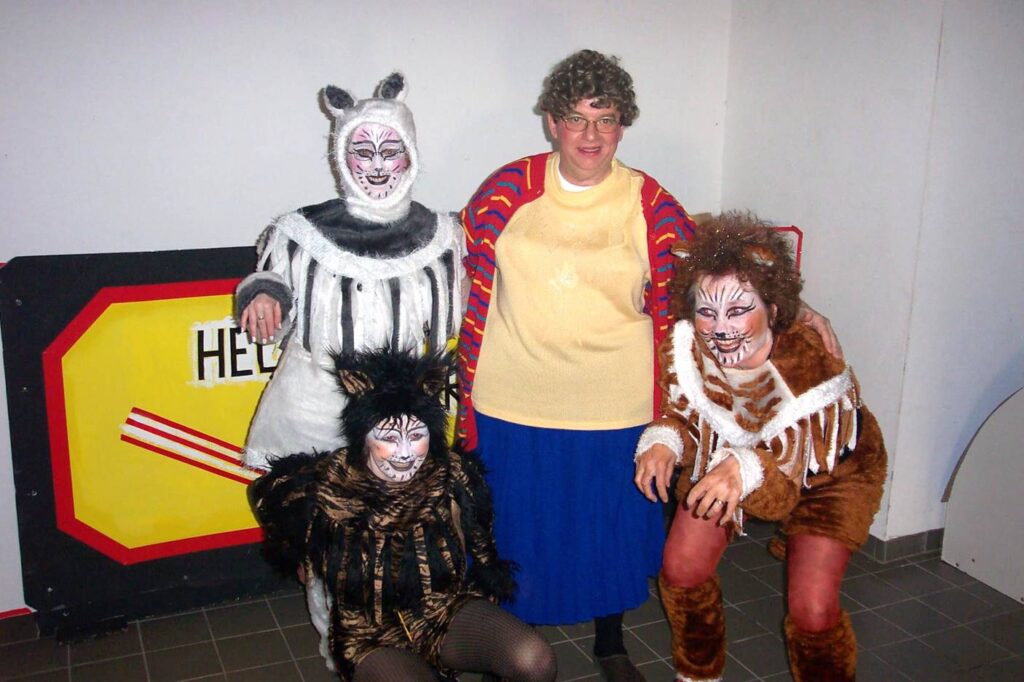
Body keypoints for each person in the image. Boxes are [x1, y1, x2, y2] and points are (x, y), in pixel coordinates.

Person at [456, 50, 841, 681]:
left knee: (608, 533)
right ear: (551, 122)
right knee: (520, 532)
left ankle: (611, 645)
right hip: (511, 401)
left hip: (617, 406)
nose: (590, 135)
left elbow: (720, 274)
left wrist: (796, 311)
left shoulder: (648, 201)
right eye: (576, 118)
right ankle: (518, 649)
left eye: (605, 119)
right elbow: (451, 260)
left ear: (622, 126)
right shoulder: (507, 189)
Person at [633, 212, 887, 682]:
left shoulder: (810, 363)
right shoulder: (686, 348)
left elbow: (782, 486)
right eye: (706, 312)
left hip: (829, 474)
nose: (720, 328)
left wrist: (742, 468)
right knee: (682, 567)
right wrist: (665, 440)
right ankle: (698, 674)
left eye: (738, 310)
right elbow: (683, 414)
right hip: (737, 458)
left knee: (812, 608)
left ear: (773, 308)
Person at [249, 348, 556, 682]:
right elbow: (265, 494)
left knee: (535, 659)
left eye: (416, 435)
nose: (405, 453)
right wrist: (300, 554)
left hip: (443, 612)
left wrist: (489, 581)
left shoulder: (451, 474)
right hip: (370, 635)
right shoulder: (329, 483)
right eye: (389, 438)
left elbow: (483, 545)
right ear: (364, 437)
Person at [235, 72, 462, 471]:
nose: (377, 165)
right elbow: (272, 279)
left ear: (410, 155)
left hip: (398, 420)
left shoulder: (443, 236)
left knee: (393, 510)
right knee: (312, 507)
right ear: (342, 156)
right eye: (362, 151)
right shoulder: (301, 231)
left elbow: (467, 302)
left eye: (390, 150)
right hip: (311, 410)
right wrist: (263, 295)